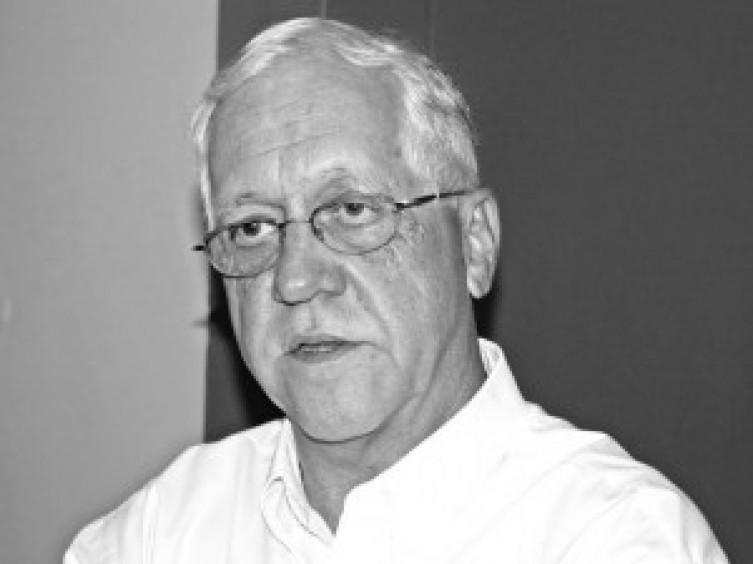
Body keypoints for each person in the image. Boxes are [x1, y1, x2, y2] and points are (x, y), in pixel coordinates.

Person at [65, 17, 728, 564]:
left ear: (473, 243)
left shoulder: (616, 538)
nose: (295, 279)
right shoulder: (156, 535)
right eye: (252, 227)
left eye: (352, 210)